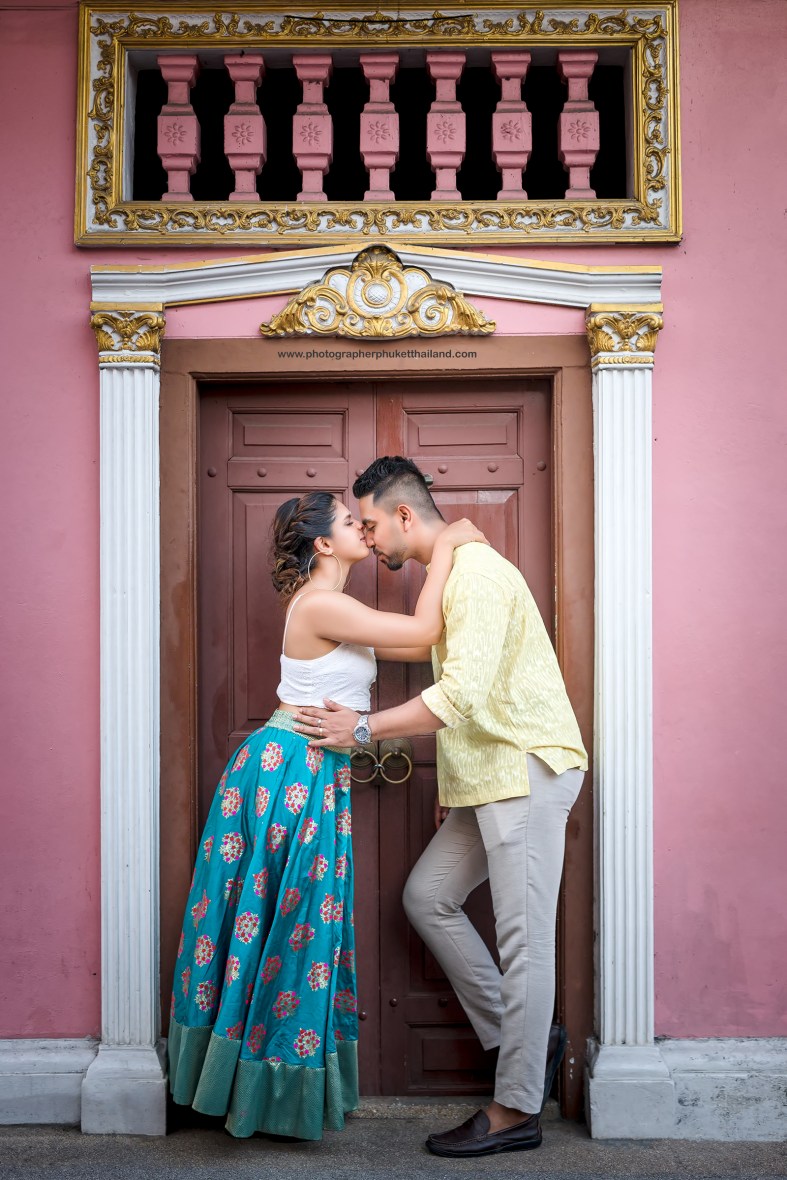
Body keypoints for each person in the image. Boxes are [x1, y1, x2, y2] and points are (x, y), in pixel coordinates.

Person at [293, 457, 588, 1159]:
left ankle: (515, 1107)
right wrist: (453, 790)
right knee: (427, 897)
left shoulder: (477, 575)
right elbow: (469, 702)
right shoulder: (449, 571)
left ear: (401, 516)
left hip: (523, 769)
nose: (368, 541)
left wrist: (360, 729)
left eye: (369, 524)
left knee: (524, 945)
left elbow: (462, 697)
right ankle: (524, 1036)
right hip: (485, 776)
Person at [168, 490, 484, 1141]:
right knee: (293, 923)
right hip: (290, 771)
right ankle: (261, 1090)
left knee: (295, 924)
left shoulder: (339, 608)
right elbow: (424, 631)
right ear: (320, 544)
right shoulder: (322, 604)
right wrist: (448, 546)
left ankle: (268, 1086)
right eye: (348, 522)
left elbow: (428, 643)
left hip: (307, 771)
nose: (362, 530)